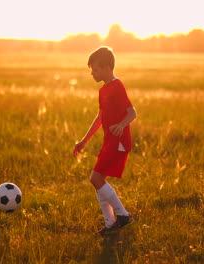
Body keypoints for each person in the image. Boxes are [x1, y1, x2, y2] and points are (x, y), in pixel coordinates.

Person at [73, 46, 137, 234]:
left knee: (95, 178)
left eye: (96, 69)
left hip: (119, 141)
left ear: (108, 67)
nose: (92, 73)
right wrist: (84, 140)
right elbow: (100, 118)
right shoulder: (103, 90)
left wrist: (121, 125)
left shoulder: (117, 86)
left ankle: (123, 215)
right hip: (109, 141)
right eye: (91, 70)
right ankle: (110, 224)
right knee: (98, 180)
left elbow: (132, 113)